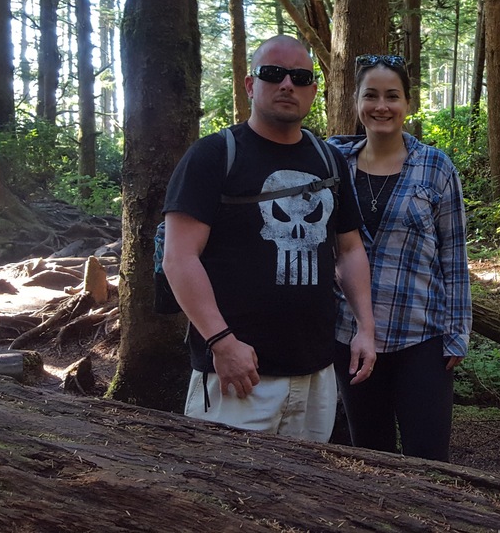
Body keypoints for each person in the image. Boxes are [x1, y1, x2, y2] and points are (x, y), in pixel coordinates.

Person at [161, 34, 376, 441]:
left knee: (305, 494)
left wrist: (365, 328)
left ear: (314, 89)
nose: (287, 84)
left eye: (300, 76)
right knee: (223, 492)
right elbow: (180, 257)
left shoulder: (328, 159)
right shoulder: (213, 156)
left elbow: (348, 249)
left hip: (316, 372)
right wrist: (221, 343)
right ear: (250, 84)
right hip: (239, 373)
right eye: (273, 73)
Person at [328, 53, 472, 461]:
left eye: (392, 96)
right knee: (370, 453)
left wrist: (458, 329)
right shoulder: (335, 164)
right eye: (370, 95)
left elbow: (454, 253)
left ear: (408, 103)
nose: (381, 106)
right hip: (350, 334)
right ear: (356, 102)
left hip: (420, 334)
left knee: (428, 456)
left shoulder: (435, 167)